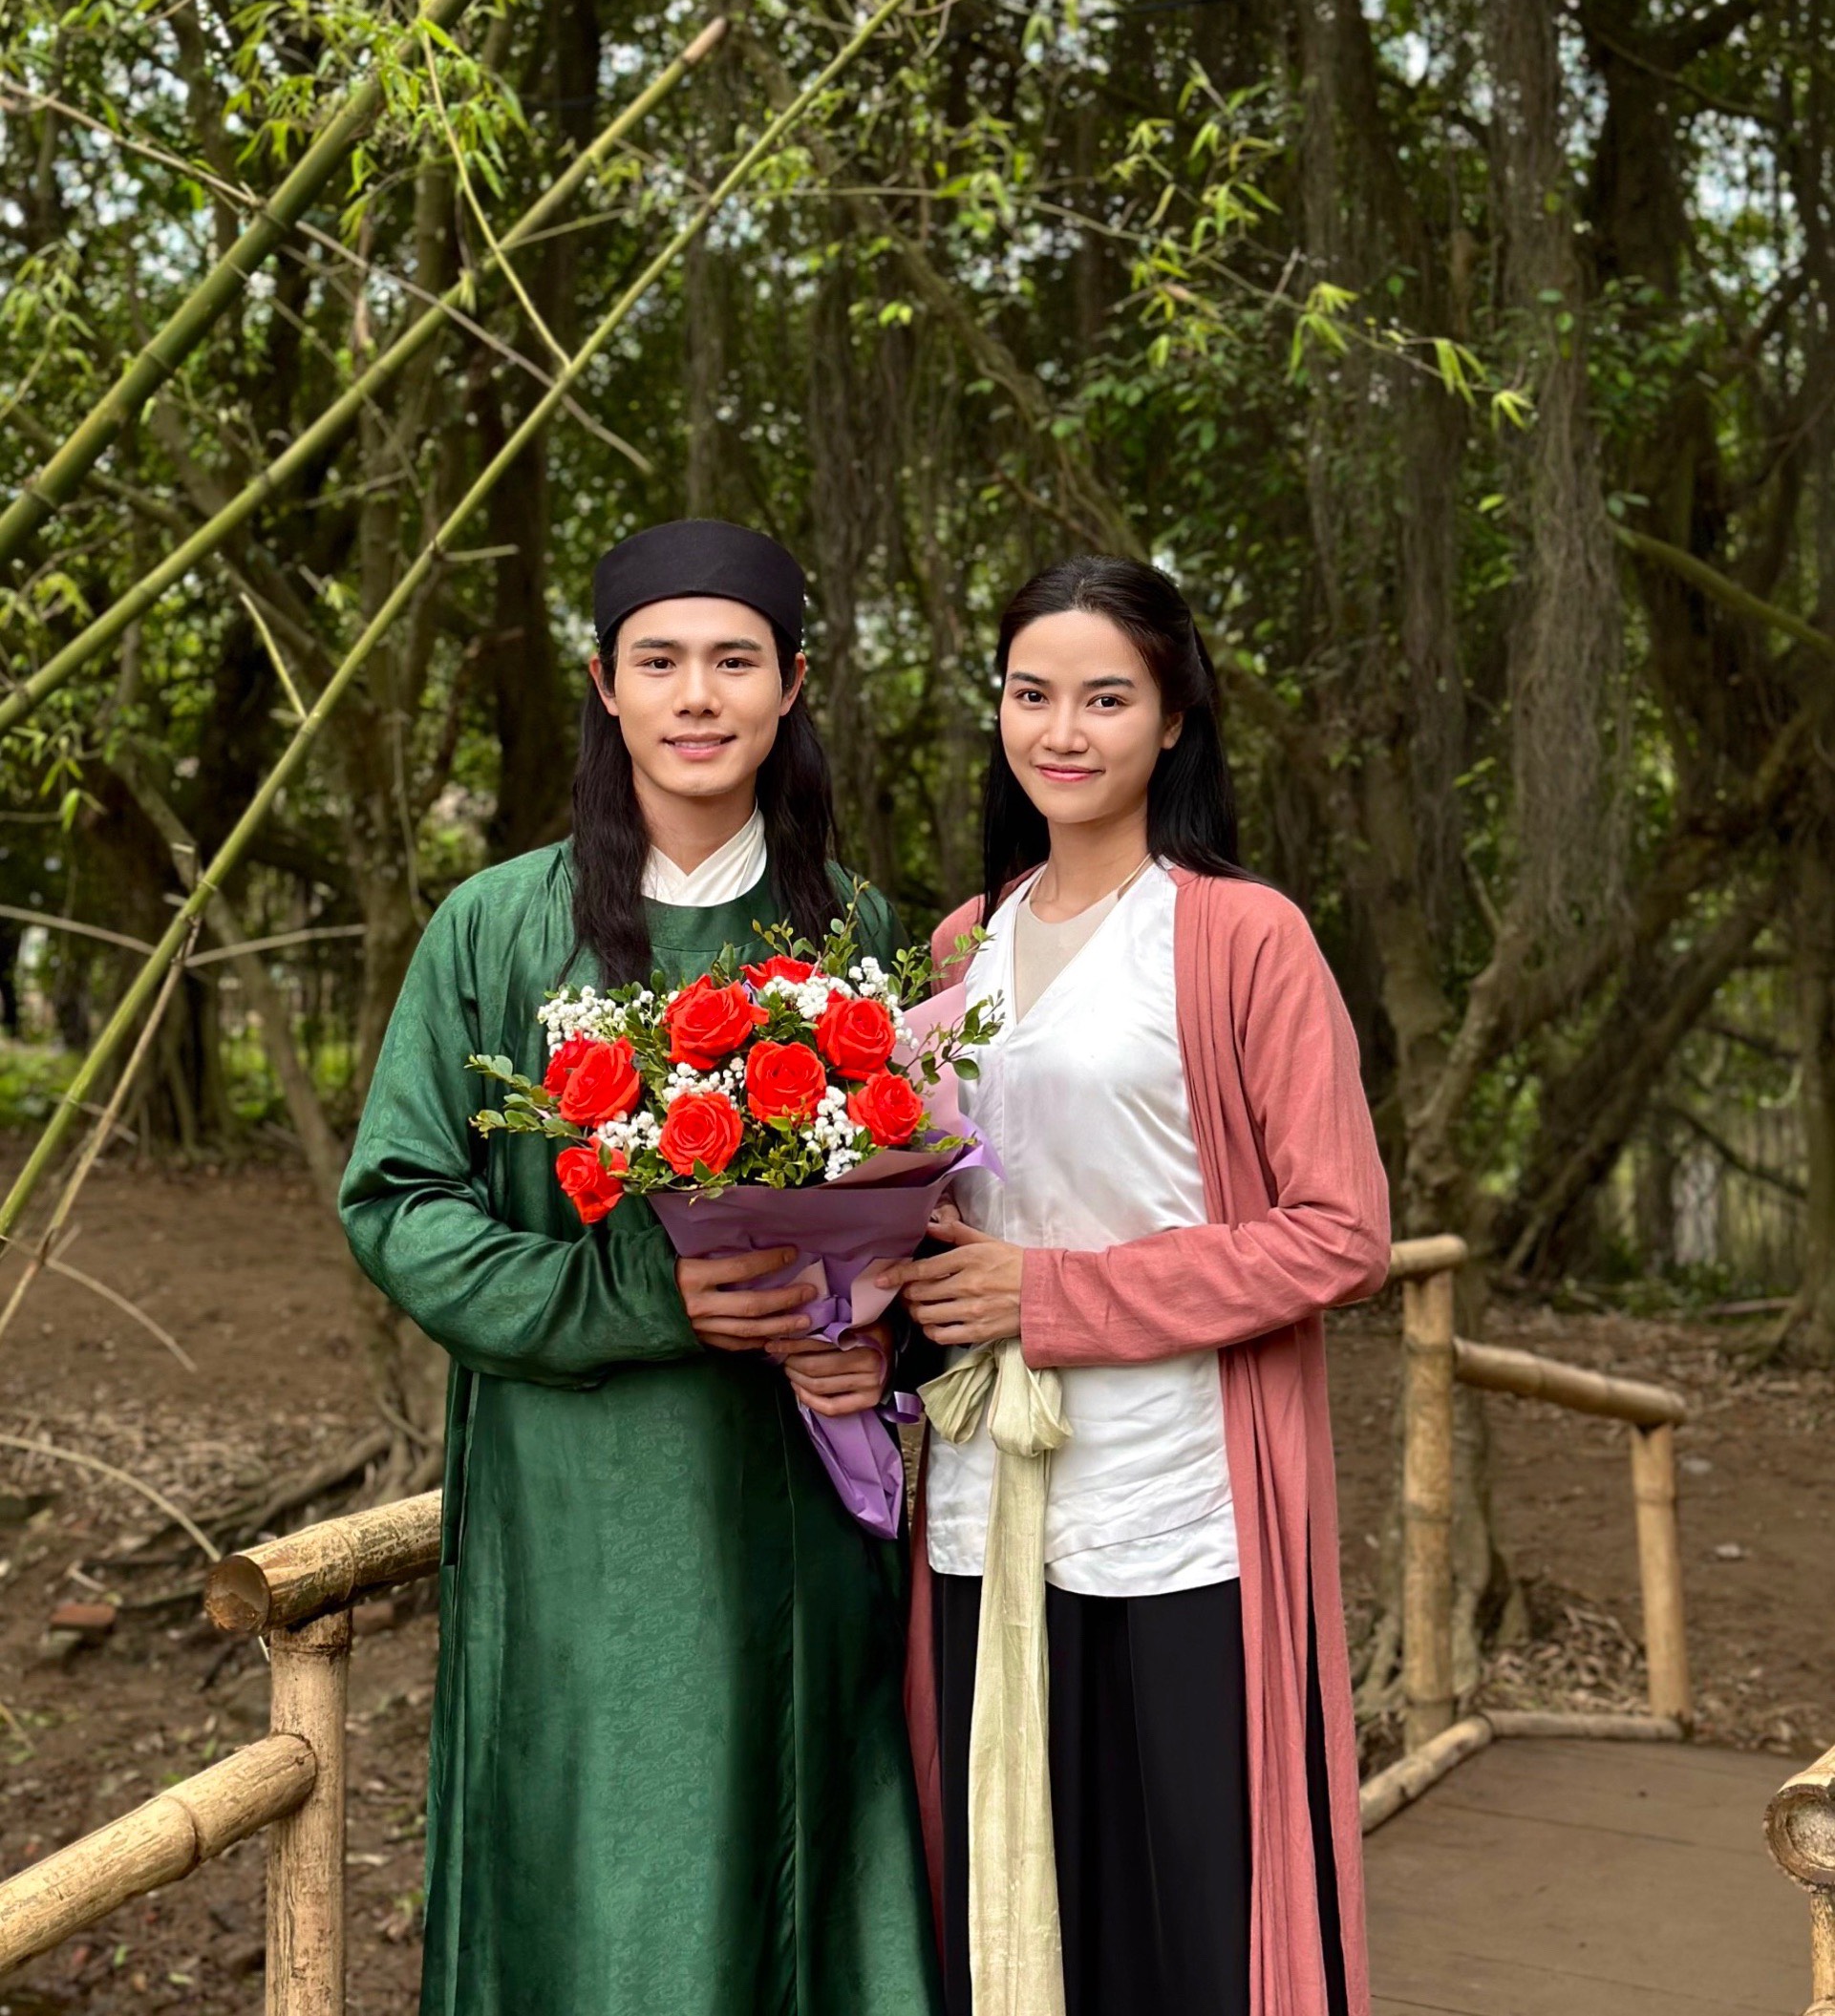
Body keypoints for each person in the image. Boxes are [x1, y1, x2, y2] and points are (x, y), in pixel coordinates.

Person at [341, 520, 943, 2016]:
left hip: (791, 1502)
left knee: (786, 1828)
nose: (696, 695)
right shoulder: (497, 926)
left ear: (792, 683)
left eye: (733, 660)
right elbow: (399, 1201)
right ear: (601, 684)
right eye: (658, 660)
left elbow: (925, 1206)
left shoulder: (852, 933)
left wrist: (870, 1338)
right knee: (599, 1849)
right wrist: (639, 1296)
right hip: (577, 1499)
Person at [881, 554, 1391, 2016]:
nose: (1064, 729)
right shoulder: (956, 951)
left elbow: (1336, 1233)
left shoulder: (1240, 935)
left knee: (1195, 1903)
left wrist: (1057, 1296)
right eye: (1031, 693)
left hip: (1182, 1495)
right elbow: (940, 1215)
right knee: (1022, 1887)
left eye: (1107, 696)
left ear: (1171, 719)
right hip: (990, 1489)